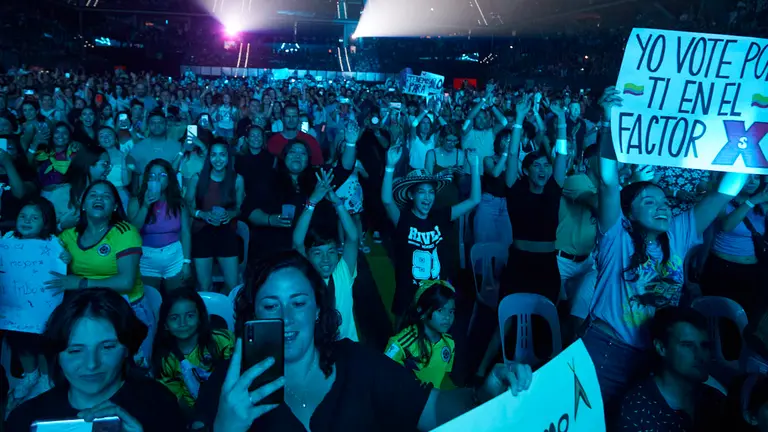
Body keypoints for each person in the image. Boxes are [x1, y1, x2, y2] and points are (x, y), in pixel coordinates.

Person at [194, 251, 532, 432]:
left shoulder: (358, 364)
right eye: (271, 306)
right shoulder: (228, 384)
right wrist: (225, 428)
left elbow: (432, 411)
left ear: (316, 310)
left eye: (298, 303)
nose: (286, 317)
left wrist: (484, 392)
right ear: (253, 313)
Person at [583, 87, 750, 409]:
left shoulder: (680, 232)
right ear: (628, 213)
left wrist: (747, 135)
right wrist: (609, 119)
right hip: (607, 351)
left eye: (664, 201)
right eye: (649, 201)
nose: (662, 207)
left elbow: (726, 191)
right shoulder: (616, 237)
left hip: (658, 357)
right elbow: (607, 181)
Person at [5, 288, 185, 431]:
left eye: (107, 347)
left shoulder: (160, 406)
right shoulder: (24, 419)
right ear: (57, 356)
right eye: (75, 351)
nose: (92, 364)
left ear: (127, 350)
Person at [48, 180, 156, 369]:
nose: (99, 198)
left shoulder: (125, 232)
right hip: (90, 312)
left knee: (133, 370)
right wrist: (58, 230)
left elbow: (126, 281)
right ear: (82, 205)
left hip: (130, 310)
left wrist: (81, 283)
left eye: (106, 196)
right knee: (98, 367)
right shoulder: (68, 236)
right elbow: (43, 258)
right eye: (93, 195)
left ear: (115, 206)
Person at [382, 143, 481, 320]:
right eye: (421, 192)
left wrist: (474, 166)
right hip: (408, 297)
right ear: (411, 195)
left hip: (435, 296)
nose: (427, 197)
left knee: (433, 343)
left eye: (431, 192)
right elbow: (387, 200)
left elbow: (474, 200)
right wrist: (390, 166)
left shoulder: (440, 216)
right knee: (404, 339)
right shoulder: (403, 220)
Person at [613, 307, 726, 430]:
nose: (701, 355)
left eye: (705, 346)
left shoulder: (715, 401)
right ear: (661, 348)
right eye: (688, 346)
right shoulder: (637, 409)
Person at [3, 198, 60, 411]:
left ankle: (45, 378)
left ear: (45, 223)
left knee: (43, 343)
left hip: (43, 310)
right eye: (23, 216)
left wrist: (65, 255)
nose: (27, 221)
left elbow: (63, 261)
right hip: (15, 310)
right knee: (20, 342)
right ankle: (30, 375)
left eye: (34, 218)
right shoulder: (8, 239)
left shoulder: (53, 242)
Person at [292, 169, 360, 341]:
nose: (325, 259)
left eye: (331, 251)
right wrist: (313, 201)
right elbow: (298, 242)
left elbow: (352, 237)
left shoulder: (342, 272)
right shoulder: (306, 276)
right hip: (317, 348)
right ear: (307, 256)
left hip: (347, 348)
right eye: (317, 253)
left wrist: (337, 203)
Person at [152, 289, 234, 414]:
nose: (183, 323)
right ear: (165, 324)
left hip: (230, 404)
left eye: (190, 316)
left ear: (200, 317)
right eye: (174, 318)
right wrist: (196, 420)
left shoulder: (223, 340)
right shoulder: (165, 360)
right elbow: (178, 400)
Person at [186, 139, 245, 292]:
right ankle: (207, 313)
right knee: (205, 286)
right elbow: (187, 207)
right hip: (202, 232)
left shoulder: (237, 179)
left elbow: (239, 208)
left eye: (222, 155)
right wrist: (202, 214)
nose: (218, 159)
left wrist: (231, 214)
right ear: (208, 157)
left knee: (233, 285)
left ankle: (228, 313)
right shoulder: (197, 178)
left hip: (226, 232)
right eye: (214, 155)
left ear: (228, 157)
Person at [129, 159, 192, 292]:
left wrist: (186, 262)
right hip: (146, 257)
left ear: (169, 180)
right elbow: (133, 231)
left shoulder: (179, 203)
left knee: (176, 298)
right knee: (151, 300)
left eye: (162, 175)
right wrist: (146, 206)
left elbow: (186, 232)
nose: (157, 179)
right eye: (152, 175)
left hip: (175, 256)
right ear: (146, 179)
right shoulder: (136, 201)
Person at [385, 280, 456, 390]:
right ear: (421, 311)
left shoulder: (449, 344)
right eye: (441, 310)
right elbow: (383, 372)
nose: (447, 317)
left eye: (451, 311)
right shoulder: (400, 344)